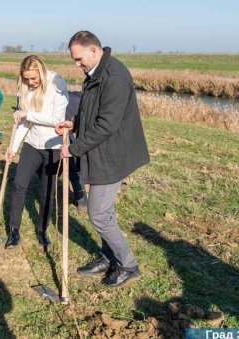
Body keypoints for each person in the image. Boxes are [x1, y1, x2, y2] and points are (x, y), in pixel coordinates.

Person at [56, 31, 150, 288]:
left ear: (94, 51)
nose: (77, 64)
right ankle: (108, 257)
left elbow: (106, 124)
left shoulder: (115, 77)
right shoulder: (95, 73)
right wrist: (73, 124)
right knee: (104, 211)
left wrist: (74, 150)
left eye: (79, 59)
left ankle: (128, 266)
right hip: (102, 152)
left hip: (114, 154)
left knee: (98, 213)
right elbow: (90, 110)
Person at [4, 55, 68, 249]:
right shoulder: (25, 88)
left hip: (53, 146)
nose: (30, 82)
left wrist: (27, 114)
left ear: (41, 72)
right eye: (26, 79)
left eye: (33, 78)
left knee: (47, 192)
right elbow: (24, 123)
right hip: (32, 144)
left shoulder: (57, 83)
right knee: (18, 184)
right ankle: (14, 231)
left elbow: (57, 120)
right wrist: (13, 148)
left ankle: (42, 230)